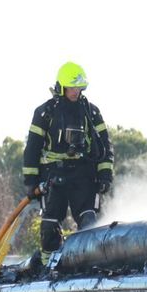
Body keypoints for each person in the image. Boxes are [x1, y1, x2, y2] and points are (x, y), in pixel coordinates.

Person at [22, 61, 116, 256]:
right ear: (62, 86)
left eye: (79, 87)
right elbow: (32, 148)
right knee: (49, 227)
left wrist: (105, 174)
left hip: (83, 174)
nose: (76, 92)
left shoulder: (91, 112)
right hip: (53, 176)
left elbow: (105, 146)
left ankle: (90, 263)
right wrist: (31, 182)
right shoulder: (44, 112)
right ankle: (50, 267)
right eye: (72, 87)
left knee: (90, 224)